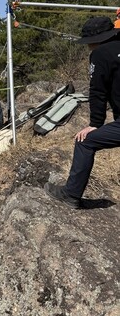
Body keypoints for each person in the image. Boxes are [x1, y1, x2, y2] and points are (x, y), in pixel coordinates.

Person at [44, 16, 120, 209]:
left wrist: (95, 124)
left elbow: (98, 91)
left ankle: (70, 194)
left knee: (85, 142)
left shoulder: (101, 53)